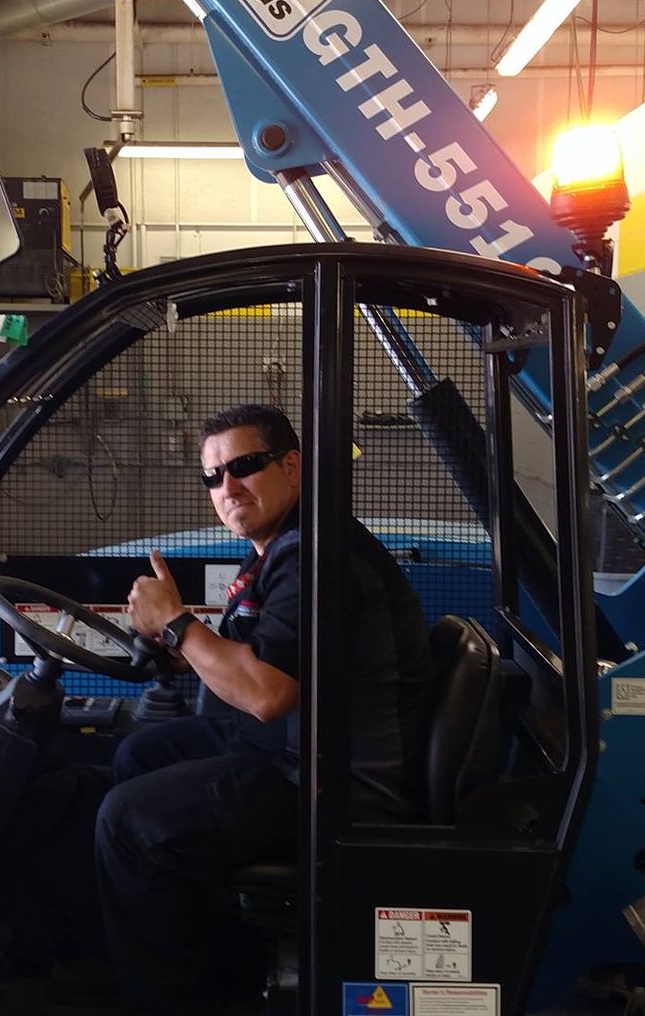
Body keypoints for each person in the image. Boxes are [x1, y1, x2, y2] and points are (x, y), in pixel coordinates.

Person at [97, 404, 432, 1014]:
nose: (227, 487)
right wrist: (181, 647)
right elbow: (254, 657)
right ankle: (217, 960)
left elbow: (268, 693)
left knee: (125, 822)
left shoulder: (315, 557)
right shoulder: (280, 548)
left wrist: (176, 623)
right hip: (294, 748)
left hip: (333, 782)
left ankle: (169, 1000)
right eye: (213, 476)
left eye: (245, 466)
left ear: (292, 467)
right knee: (137, 755)